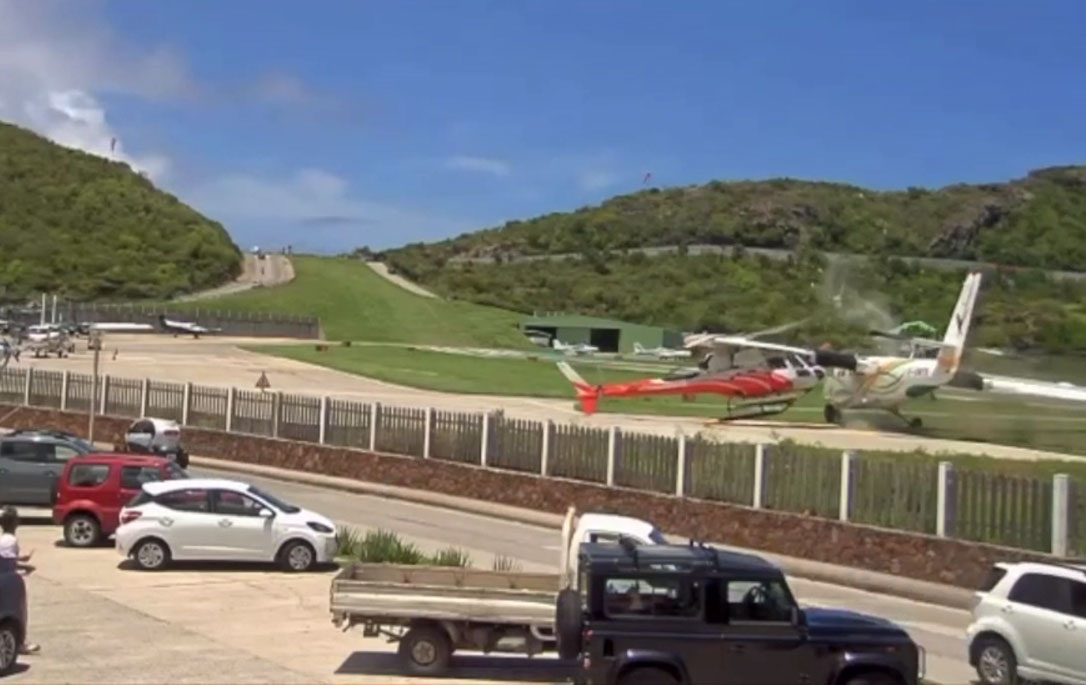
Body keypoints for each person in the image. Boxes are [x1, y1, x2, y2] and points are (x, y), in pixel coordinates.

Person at [0, 506, 40, 655]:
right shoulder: (11, 540)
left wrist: (22, 560)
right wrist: (26, 567)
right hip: (9, 581)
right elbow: (9, 562)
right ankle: (21, 642)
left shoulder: (2, 539)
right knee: (18, 610)